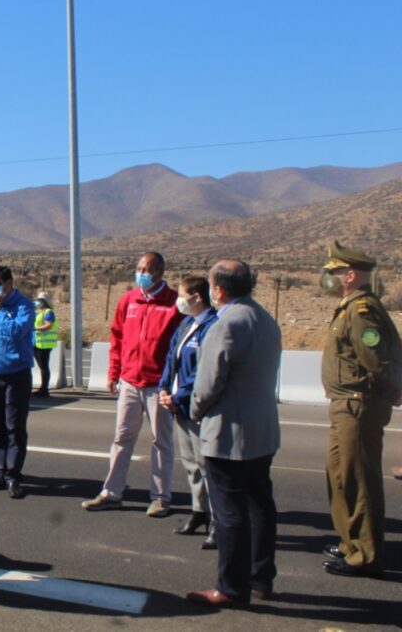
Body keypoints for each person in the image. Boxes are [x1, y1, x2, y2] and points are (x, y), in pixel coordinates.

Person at [186, 259, 281, 607]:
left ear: (219, 290)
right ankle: (260, 579)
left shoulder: (226, 324)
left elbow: (208, 384)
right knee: (260, 507)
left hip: (229, 434)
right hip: (262, 431)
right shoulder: (265, 319)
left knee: (229, 513)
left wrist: (194, 412)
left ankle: (230, 587)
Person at [319, 240, 401, 578]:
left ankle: (366, 555)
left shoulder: (361, 310)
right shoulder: (350, 306)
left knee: (359, 480)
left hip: (358, 406)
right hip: (346, 406)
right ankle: (350, 543)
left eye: (334, 273)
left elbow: (377, 362)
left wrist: (393, 392)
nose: (329, 279)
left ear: (350, 276)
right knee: (340, 477)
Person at [82, 252, 181, 517]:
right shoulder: (129, 300)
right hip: (129, 381)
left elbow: (180, 346)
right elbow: (117, 338)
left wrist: (172, 384)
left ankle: (161, 498)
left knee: (162, 442)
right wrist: (114, 372)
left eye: (145, 269)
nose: (140, 274)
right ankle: (112, 493)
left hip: (158, 386)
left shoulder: (174, 303)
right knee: (122, 438)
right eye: (138, 268)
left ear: (159, 272)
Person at [158, 275, 219, 549]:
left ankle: (218, 521)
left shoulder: (211, 325)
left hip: (196, 406)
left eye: (182, 295)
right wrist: (163, 388)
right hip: (178, 404)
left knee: (207, 467)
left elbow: (202, 370)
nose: (179, 300)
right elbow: (172, 358)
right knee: (190, 463)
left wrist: (179, 395)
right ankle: (199, 512)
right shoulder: (186, 324)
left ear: (196, 297)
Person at [0, 265, 35, 499]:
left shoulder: (24, 306)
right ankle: (1, 471)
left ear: (9, 284)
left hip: (16, 375)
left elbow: (15, 333)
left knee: (14, 427)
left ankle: (14, 475)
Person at [32, 291, 59, 397]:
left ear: (44, 302)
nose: (38, 302)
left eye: (40, 300)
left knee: (43, 366)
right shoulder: (40, 312)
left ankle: (44, 389)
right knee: (42, 366)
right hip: (39, 343)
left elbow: (48, 325)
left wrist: (34, 328)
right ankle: (43, 388)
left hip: (44, 344)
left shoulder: (48, 312)